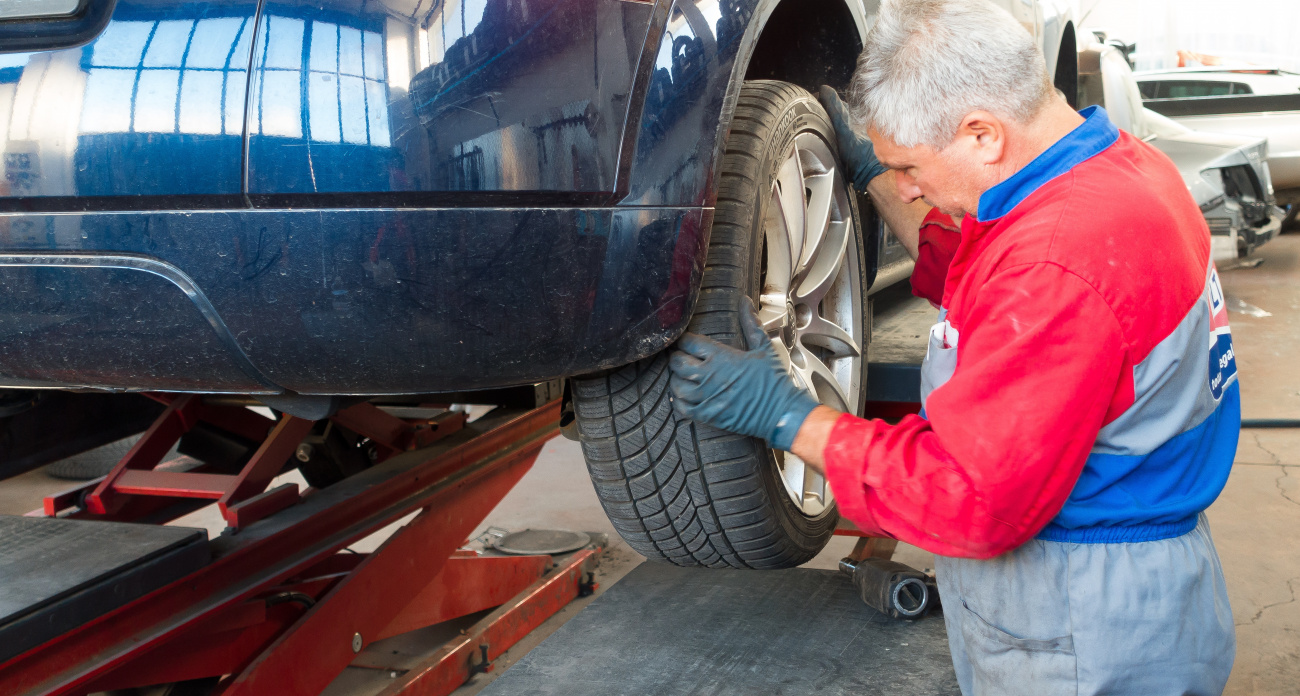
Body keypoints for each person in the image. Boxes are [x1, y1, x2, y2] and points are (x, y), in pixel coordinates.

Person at [666, 0, 1238, 693]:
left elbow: (971, 497)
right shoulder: (1118, 169)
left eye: (908, 165)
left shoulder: (1060, 264)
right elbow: (989, 268)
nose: (908, 187)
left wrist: (794, 420)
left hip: (1084, 617)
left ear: (981, 134)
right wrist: (875, 176)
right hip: (1127, 582)